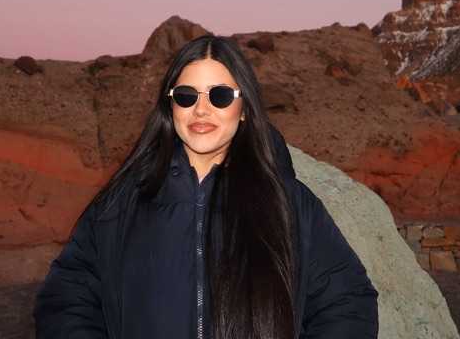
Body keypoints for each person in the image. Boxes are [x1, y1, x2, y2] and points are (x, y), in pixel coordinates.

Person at [34, 34, 379, 338]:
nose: (201, 109)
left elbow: (348, 302)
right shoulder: (122, 203)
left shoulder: (289, 204)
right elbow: (67, 298)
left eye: (220, 96)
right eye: (186, 96)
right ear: (170, 107)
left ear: (244, 109)